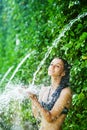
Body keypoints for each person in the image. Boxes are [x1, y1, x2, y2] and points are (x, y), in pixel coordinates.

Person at [27, 57, 72, 130]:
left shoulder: (66, 92)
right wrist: (31, 97)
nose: (52, 67)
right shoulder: (44, 89)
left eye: (57, 66)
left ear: (63, 72)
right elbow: (37, 116)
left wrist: (35, 100)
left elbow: (50, 118)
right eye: (51, 64)